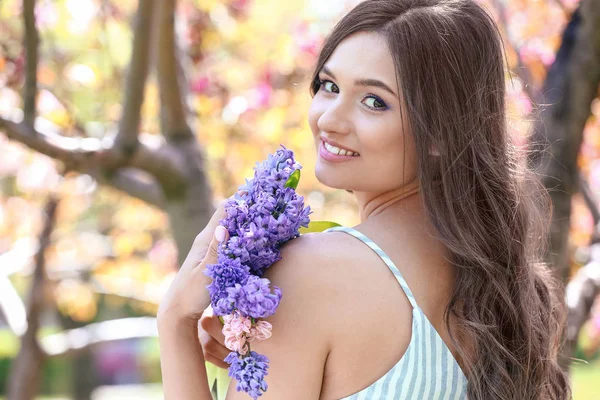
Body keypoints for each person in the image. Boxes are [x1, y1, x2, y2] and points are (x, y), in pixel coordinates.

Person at [157, 0, 572, 398]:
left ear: (441, 133)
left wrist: (176, 323)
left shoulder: (311, 273)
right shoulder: (501, 291)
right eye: (329, 85)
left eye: (374, 102)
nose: (330, 119)